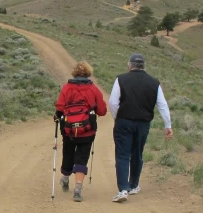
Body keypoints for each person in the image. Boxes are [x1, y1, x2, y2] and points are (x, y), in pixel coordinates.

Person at [108, 53, 173, 203]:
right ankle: (134, 185)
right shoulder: (154, 83)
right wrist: (167, 125)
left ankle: (123, 189)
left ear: (129, 65)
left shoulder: (121, 79)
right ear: (144, 66)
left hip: (123, 122)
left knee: (122, 155)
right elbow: (162, 105)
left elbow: (113, 102)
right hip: (143, 124)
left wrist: (118, 117)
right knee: (137, 153)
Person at [54, 61, 107, 201]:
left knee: (68, 153)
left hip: (68, 129)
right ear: (88, 73)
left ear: (74, 73)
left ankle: (65, 178)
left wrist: (57, 116)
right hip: (87, 130)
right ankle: (77, 189)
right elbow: (102, 110)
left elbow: (60, 107)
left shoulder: (66, 88)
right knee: (82, 158)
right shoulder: (93, 89)